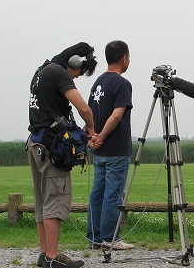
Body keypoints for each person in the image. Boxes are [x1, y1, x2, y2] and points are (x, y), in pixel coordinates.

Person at [27, 42, 98, 268]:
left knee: (42, 201)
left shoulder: (41, 71)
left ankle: (45, 253)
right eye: (80, 71)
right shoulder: (59, 73)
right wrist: (91, 127)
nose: (78, 77)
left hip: (36, 143)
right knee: (55, 199)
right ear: (74, 61)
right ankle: (53, 256)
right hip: (51, 147)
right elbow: (83, 108)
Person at [86, 40, 134, 250]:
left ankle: (95, 237)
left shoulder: (98, 82)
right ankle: (110, 237)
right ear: (124, 58)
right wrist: (102, 136)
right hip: (116, 148)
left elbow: (89, 112)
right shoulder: (122, 84)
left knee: (98, 193)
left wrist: (92, 136)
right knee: (112, 194)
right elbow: (117, 115)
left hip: (99, 150)